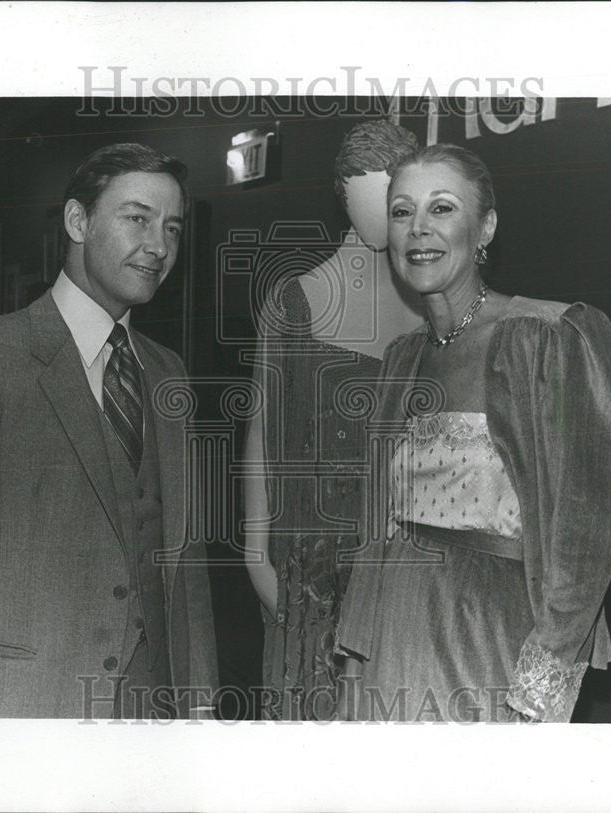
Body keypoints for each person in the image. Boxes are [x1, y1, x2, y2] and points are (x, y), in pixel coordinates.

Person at [0, 143, 218, 718]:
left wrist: (200, 715)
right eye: (137, 218)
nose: (159, 246)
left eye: (172, 227)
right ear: (78, 221)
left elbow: (185, 573)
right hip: (28, 712)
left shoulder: (168, 370)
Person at [334, 144, 611, 722]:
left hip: (486, 651)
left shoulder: (551, 338)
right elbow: (377, 529)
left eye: (442, 208)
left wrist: (538, 695)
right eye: (402, 212)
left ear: (485, 227)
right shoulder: (400, 358)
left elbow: (584, 539)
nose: (418, 228)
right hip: (388, 649)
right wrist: (353, 664)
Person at [244, 119, 421, 720]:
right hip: (308, 570)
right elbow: (262, 432)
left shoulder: (435, 310)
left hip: (403, 573)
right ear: (342, 194)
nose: (381, 207)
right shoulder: (297, 299)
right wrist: (254, 553)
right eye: (365, 188)